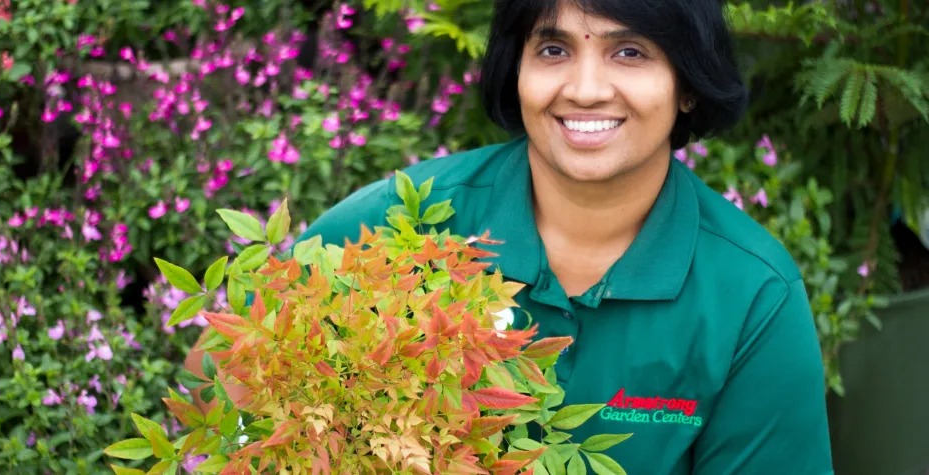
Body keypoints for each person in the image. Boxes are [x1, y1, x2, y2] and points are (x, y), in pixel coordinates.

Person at [186, 0, 834, 472]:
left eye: (629, 51)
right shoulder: (402, 222)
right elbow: (216, 380)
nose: (584, 89)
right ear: (515, 70)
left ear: (687, 84)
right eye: (553, 49)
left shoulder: (751, 294)